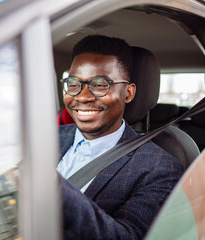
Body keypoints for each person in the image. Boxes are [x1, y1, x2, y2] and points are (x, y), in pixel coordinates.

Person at [57, 35, 184, 239]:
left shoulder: (160, 169)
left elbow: (128, 236)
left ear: (128, 93)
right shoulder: (42, 139)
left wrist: (52, 188)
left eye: (100, 85)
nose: (82, 96)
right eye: (73, 84)